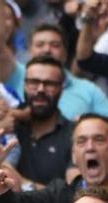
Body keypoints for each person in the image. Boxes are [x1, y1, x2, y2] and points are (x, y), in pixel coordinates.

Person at [13, 56, 73, 185]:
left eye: (49, 83)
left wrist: (23, 184)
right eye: (34, 82)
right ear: (24, 85)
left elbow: (71, 195)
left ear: (61, 89)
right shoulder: (9, 124)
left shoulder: (74, 135)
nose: (40, 89)